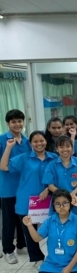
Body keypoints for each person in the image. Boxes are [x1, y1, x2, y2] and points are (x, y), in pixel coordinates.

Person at [22, 189, 77, 273]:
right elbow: (37, 238)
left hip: (74, 264)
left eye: (65, 203)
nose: (61, 207)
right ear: (53, 205)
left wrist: (69, 267)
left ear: (70, 203)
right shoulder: (49, 221)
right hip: (52, 264)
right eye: (58, 204)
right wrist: (29, 225)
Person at [0, 131, 57, 266]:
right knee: (30, 231)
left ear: (46, 141)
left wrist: (48, 189)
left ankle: (56, 256)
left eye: (41, 140)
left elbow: (58, 176)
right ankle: (37, 258)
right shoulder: (24, 158)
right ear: (30, 143)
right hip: (27, 201)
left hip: (49, 200)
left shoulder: (54, 157)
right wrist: (8, 148)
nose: (39, 144)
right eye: (35, 141)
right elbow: (3, 166)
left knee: (52, 229)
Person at [43, 136, 77, 236]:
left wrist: (73, 193)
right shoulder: (52, 165)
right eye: (61, 147)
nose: (65, 149)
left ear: (72, 148)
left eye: (68, 146)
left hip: (76, 201)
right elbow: (50, 185)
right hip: (59, 202)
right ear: (56, 149)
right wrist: (64, 196)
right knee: (60, 230)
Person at [0, 109, 31, 264]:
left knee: (22, 217)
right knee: (9, 220)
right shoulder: (2, 140)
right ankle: (8, 250)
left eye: (20, 121)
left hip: (24, 187)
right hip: (7, 188)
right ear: (8, 123)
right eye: (13, 122)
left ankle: (21, 245)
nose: (17, 124)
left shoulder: (27, 141)